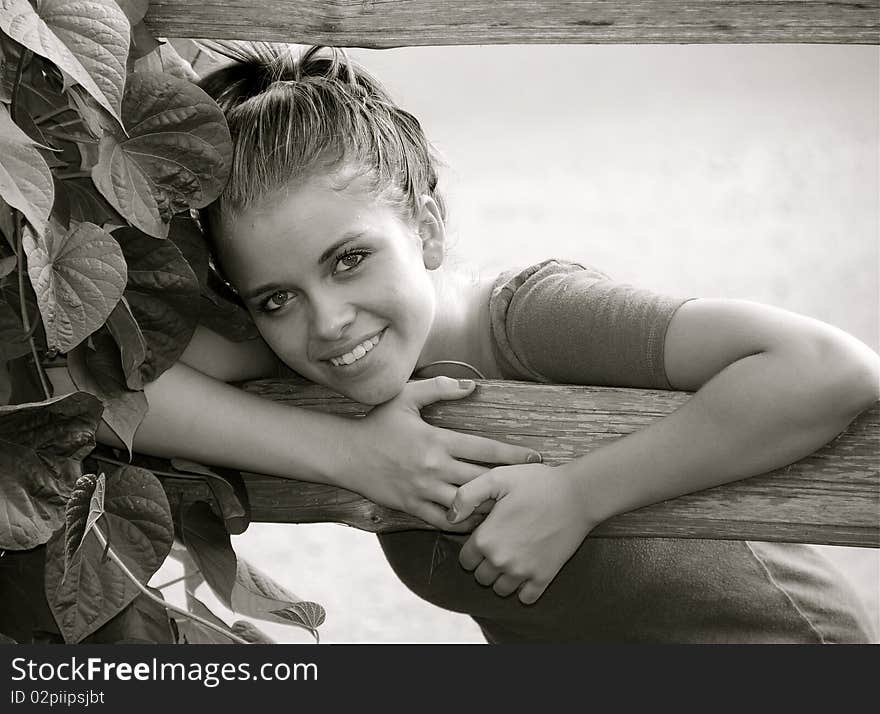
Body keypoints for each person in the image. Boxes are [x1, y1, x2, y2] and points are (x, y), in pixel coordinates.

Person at [55, 45, 879, 642]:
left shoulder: (529, 319)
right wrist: (348, 455)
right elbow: (89, 376)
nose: (329, 320)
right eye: (275, 296)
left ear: (428, 226)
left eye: (350, 259)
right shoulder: (323, 352)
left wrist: (578, 494)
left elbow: (828, 368)